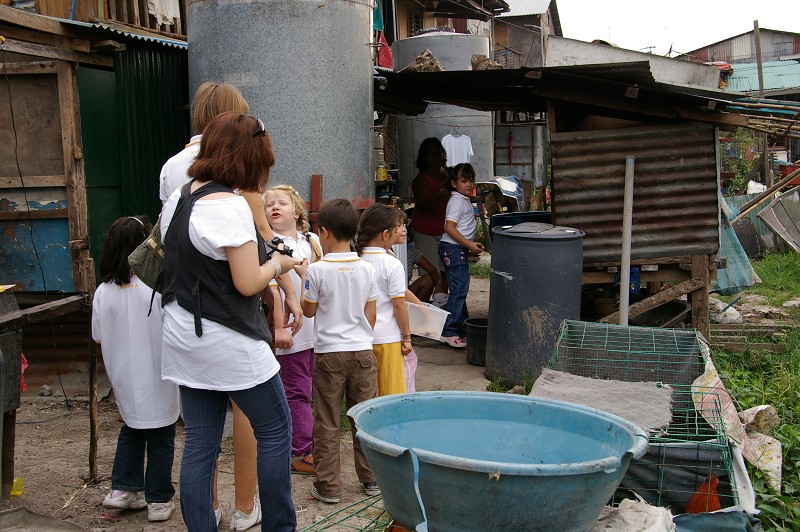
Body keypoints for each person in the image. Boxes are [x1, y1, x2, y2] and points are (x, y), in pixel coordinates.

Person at [157, 81, 301, 529]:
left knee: (200, 441)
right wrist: (279, 262)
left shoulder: (182, 197)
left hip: (182, 334)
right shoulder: (229, 206)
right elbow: (246, 282)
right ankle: (281, 525)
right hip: (229, 339)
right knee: (276, 430)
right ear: (248, 159)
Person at [92, 216, 180, 522]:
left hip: (124, 377)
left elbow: (98, 335)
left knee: (131, 429)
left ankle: (122, 489)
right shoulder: (158, 286)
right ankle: (157, 498)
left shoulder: (103, 292)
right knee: (161, 435)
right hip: (160, 373)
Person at [301, 199, 380, 504]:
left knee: (328, 420)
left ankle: (329, 486)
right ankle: (371, 478)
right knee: (362, 417)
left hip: (329, 354)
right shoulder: (367, 268)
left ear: (325, 232)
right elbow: (370, 315)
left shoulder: (317, 270)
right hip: (362, 351)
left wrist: (303, 279)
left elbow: (308, 312)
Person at [263, 184, 322, 475]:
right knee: (297, 391)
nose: (274, 207)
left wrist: (306, 272)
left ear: (296, 210)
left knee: (308, 389)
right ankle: (301, 450)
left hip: (315, 331)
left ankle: (304, 443)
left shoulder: (311, 240)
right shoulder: (267, 243)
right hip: (289, 333)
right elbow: (271, 288)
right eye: (269, 204)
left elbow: (324, 277)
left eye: (281, 203)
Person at [356, 204, 413, 396]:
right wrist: (407, 336)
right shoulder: (392, 264)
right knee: (390, 395)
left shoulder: (356, 260)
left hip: (361, 338)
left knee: (367, 394)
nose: (402, 229)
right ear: (386, 234)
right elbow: (399, 304)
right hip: (387, 338)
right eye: (398, 226)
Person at [439, 163, 484, 348]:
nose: (469, 184)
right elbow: (449, 227)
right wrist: (469, 245)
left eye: (471, 180)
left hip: (455, 249)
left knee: (459, 290)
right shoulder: (457, 201)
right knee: (459, 291)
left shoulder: (463, 199)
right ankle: (448, 331)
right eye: (463, 181)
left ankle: (462, 327)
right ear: (454, 183)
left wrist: (470, 243)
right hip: (454, 249)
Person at [410, 137, 450, 303]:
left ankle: (443, 308)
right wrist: (434, 197)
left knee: (446, 272)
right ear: (423, 157)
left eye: (438, 153)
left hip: (447, 232)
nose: (435, 157)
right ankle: (424, 310)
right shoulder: (421, 180)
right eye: (430, 154)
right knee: (430, 276)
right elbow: (423, 206)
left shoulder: (449, 174)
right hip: (425, 232)